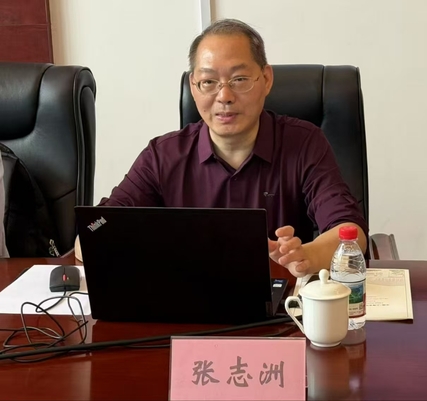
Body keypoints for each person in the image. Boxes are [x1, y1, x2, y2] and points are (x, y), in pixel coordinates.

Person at [76, 18, 368, 277]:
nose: (224, 96)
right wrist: (98, 236)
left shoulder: (304, 143)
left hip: (281, 306)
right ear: (193, 87)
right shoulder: (162, 156)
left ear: (266, 79)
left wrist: (307, 256)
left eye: (239, 79)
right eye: (209, 82)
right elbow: (94, 229)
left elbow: (351, 231)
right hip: (190, 303)